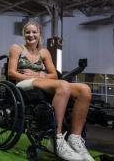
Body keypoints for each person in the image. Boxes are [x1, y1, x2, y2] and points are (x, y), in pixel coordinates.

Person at [8, 21, 94, 161]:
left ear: (39, 34)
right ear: (23, 34)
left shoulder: (44, 52)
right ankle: (56, 139)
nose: (31, 35)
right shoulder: (17, 48)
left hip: (42, 81)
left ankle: (75, 138)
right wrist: (35, 75)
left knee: (84, 90)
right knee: (63, 85)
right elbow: (11, 73)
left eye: (34, 32)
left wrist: (39, 75)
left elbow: (54, 74)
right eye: (27, 32)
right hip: (23, 83)